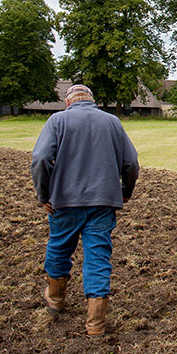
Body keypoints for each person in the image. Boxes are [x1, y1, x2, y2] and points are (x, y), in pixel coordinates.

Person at [30, 84, 139, 336]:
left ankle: (56, 300)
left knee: (58, 247)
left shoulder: (57, 121)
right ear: (93, 101)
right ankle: (96, 325)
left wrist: (43, 196)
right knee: (98, 258)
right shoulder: (112, 122)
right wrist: (126, 192)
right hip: (102, 203)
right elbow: (131, 162)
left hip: (64, 201)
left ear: (68, 102)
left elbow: (41, 158)